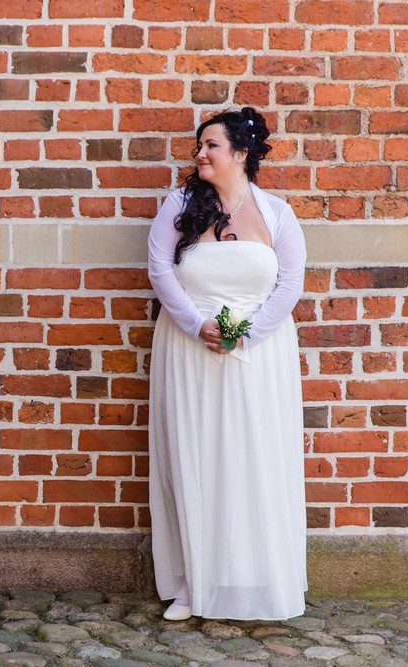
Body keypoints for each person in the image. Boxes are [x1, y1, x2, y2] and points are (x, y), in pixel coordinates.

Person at [147, 107, 307, 621]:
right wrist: (197, 325)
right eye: (200, 146)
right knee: (192, 456)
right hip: (188, 346)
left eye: (210, 145)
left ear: (240, 153)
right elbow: (160, 268)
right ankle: (195, 583)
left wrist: (245, 334)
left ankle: (253, 578)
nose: (200, 154)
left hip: (258, 355)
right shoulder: (179, 205)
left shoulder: (278, 213)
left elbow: (289, 284)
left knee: (251, 458)